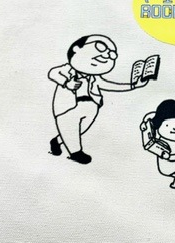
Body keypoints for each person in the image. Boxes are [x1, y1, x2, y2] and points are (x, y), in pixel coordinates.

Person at [48, 35, 150, 165]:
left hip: (90, 107)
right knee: (69, 126)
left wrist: (133, 85)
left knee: (78, 131)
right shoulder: (68, 69)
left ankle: (56, 141)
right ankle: (76, 153)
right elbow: (53, 73)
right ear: (76, 49)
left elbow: (110, 85)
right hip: (68, 108)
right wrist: (67, 83)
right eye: (100, 46)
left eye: (112, 54)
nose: (106, 55)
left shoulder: (95, 78)